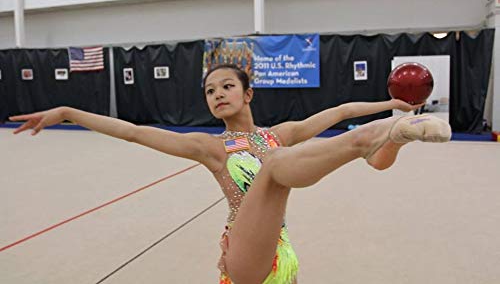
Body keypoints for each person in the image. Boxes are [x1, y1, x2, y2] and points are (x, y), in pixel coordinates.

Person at [10, 64, 451, 284]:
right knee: (277, 167)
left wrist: (391, 104)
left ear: (248, 93)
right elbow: (133, 132)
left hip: (281, 249)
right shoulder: (212, 147)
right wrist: (67, 111)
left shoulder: (281, 133)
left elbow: (338, 110)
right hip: (243, 253)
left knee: (367, 159)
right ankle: (379, 135)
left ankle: (392, 134)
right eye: (209, 91)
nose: (217, 94)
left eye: (226, 87)